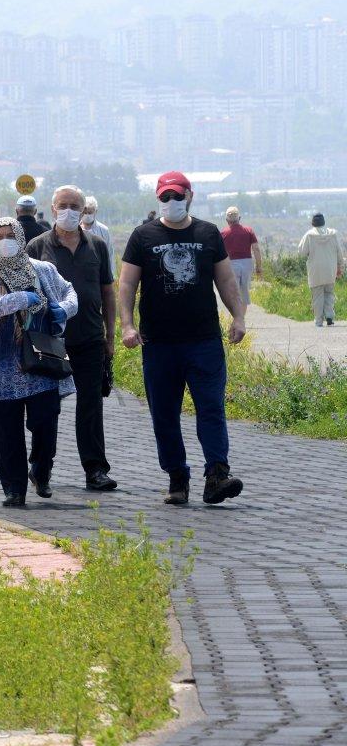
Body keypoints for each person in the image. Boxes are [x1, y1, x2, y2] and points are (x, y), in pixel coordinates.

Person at [120, 171, 247, 506]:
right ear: (157, 199)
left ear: (189, 196)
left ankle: (217, 474)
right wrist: (127, 326)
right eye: (165, 197)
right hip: (159, 344)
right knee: (164, 414)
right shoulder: (143, 236)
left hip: (203, 341)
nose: (172, 202)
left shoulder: (208, 233)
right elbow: (127, 284)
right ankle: (177, 477)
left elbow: (226, 280)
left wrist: (238, 316)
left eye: (177, 196)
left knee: (211, 408)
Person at [0, 218, 78, 507]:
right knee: (6, 435)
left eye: (10, 235)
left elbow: (70, 292)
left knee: (46, 423)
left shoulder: (43, 270)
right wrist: (20, 299)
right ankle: (14, 489)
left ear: (22, 238)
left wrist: (64, 310)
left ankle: (41, 470)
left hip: (40, 363)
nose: (5, 241)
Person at [27, 185, 118, 491]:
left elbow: (108, 291)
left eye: (75, 206)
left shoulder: (97, 246)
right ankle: (41, 467)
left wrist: (110, 337)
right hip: (51, 341)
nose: (69, 211)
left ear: (83, 210)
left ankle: (95, 469)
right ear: (53, 208)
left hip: (90, 337)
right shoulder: (38, 246)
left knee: (90, 405)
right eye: (63, 205)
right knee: (46, 407)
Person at [296, 213, 344, 327]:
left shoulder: (309, 235)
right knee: (329, 293)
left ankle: (318, 321)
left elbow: (301, 252)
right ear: (323, 222)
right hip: (330, 270)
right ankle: (329, 316)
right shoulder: (333, 234)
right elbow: (339, 253)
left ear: (313, 223)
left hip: (315, 271)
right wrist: (340, 267)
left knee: (317, 296)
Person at [220, 207, 263, 306]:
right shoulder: (249, 231)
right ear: (239, 218)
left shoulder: (223, 233)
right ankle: (242, 315)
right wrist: (259, 266)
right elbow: (256, 249)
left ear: (227, 220)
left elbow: (220, 253)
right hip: (247, 263)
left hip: (231, 264)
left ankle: (236, 314)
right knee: (244, 293)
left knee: (234, 293)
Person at [80, 196, 115, 280]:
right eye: (85, 212)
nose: (87, 215)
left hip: (99, 273)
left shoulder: (104, 230)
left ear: (95, 212)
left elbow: (109, 253)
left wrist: (111, 275)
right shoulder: (75, 228)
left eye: (90, 212)